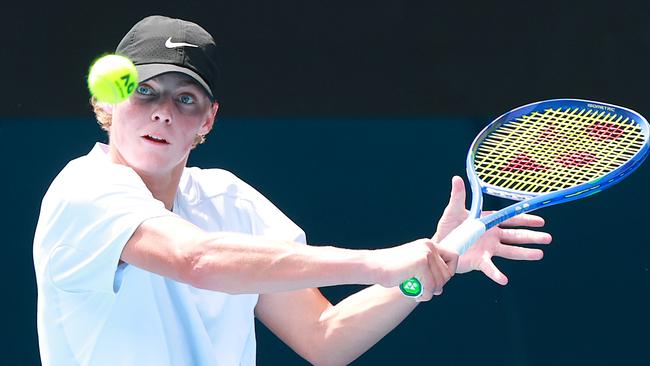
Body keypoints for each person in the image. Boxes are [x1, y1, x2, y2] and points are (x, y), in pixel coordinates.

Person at [33, 15, 552, 366]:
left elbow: (325, 337)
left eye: (185, 98)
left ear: (208, 120)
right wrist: (379, 263)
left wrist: (432, 266)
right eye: (144, 91)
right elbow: (197, 260)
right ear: (110, 100)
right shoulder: (84, 192)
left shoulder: (228, 201)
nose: (163, 111)